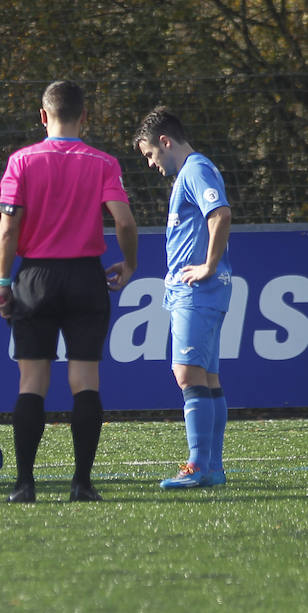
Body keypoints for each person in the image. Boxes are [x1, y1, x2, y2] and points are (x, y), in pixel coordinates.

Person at [0, 80, 138, 503]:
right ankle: (82, 484)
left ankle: (24, 485)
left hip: (34, 277)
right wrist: (128, 264)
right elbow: (124, 222)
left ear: (42, 116)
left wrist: (4, 283)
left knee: (32, 382)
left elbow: (8, 227)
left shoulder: (21, 161)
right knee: (84, 380)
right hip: (84, 277)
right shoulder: (103, 163)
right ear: (84, 116)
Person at [132, 106, 232, 489]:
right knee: (206, 376)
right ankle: (213, 467)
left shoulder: (195, 169)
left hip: (199, 290)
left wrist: (208, 265)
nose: (151, 164)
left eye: (151, 155)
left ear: (165, 141)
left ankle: (198, 466)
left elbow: (220, 214)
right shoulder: (191, 173)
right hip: (195, 292)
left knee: (187, 374)